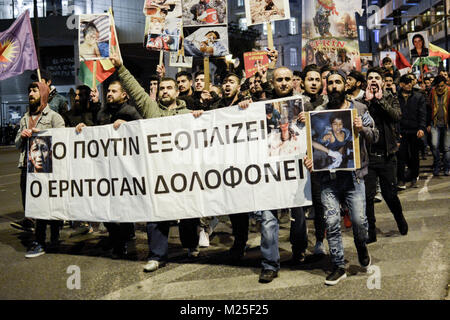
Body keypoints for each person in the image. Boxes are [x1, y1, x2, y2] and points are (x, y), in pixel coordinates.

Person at [109, 50, 204, 272]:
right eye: (161, 88)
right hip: (158, 173)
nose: (164, 91)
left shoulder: (188, 112)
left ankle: (190, 245)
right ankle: (156, 255)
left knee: (188, 212)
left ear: (177, 91)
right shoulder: (152, 110)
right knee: (155, 214)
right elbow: (135, 90)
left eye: (169, 87)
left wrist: (201, 118)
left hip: (183, 171)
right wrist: (120, 68)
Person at [303, 69, 378, 286]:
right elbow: (312, 143)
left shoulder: (360, 108)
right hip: (328, 178)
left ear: (346, 85)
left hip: (354, 177)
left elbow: (375, 135)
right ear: (327, 87)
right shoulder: (318, 112)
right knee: (332, 222)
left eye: (338, 82)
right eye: (331, 83)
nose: (334, 86)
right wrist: (310, 159)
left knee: (358, 221)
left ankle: (361, 244)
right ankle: (338, 265)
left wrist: (361, 128)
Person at [76, 80, 142, 259]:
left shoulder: (130, 112)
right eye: (109, 91)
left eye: (114, 91)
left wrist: (129, 127)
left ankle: (122, 240)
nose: (110, 94)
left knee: (123, 207)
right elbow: (98, 133)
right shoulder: (103, 112)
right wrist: (85, 129)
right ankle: (118, 237)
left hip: (125, 168)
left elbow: (143, 131)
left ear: (124, 95)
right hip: (105, 167)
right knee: (104, 206)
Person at [14, 81, 65, 258]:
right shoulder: (24, 119)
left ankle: (46, 239)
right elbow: (17, 145)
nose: (31, 93)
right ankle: (42, 238)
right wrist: (22, 136)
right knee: (32, 205)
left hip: (47, 168)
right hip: (26, 168)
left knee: (46, 205)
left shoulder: (53, 117)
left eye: (35, 90)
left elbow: (63, 141)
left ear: (43, 94)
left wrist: (43, 135)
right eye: (29, 91)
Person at [362, 67, 408, 243]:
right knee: (367, 197)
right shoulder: (361, 101)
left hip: (387, 155)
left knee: (390, 194)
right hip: (369, 156)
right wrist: (367, 102)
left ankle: (400, 219)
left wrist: (380, 101)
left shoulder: (390, 97)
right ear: (366, 82)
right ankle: (370, 232)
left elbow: (396, 116)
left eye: (377, 78)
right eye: (370, 77)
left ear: (382, 82)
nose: (373, 80)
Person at [397, 74, 426, 189]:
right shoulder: (396, 97)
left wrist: (422, 128)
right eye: (406, 82)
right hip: (401, 131)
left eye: (410, 82)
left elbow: (422, 114)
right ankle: (401, 179)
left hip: (415, 130)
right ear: (401, 84)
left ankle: (414, 177)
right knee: (401, 155)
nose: (409, 85)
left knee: (414, 155)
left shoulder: (418, 97)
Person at [427, 75, 449, 176]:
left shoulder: (449, 92)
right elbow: (428, 108)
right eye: (438, 86)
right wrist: (427, 124)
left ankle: (447, 167)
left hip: (447, 124)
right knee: (434, 145)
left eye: (442, 86)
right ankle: (436, 164)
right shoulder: (432, 92)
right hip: (435, 123)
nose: (440, 88)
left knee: (446, 147)